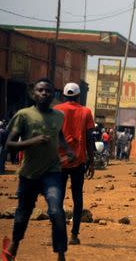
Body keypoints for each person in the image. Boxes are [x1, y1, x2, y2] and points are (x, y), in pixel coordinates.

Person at [3, 78, 74, 261]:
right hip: (29, 174)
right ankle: (14, 245)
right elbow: (9, 145)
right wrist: (32, 142)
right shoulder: (23, 115)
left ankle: (61, 254)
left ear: (53, 95)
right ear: (33, 93)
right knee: (22, 214)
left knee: (57, 211)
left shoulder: (59, 116)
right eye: (40, 90)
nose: (44, 93)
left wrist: (67, 149)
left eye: (48, 91)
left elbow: (60, 136)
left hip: (53, 172)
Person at [54, 82, 95, 246]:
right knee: (78, 198)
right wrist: (91, 161)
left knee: (58, 199)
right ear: (79, 96)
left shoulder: (56, 110)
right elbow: (90, 138)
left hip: (58, 161)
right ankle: (74, 235)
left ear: (63, 96)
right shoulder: (86, 112)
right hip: (78, 160)